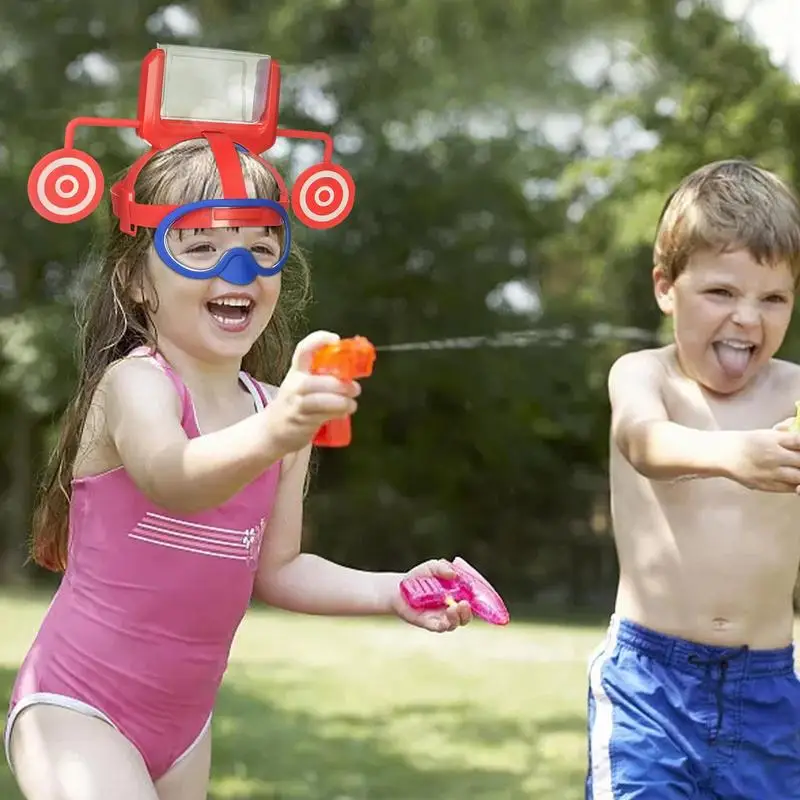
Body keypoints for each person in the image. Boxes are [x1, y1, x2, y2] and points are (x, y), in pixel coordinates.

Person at [4, 137, 473, 800]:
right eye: (198, 247)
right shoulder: (137, 386)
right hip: (77, 704)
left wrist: (390, 590)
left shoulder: (276, 410)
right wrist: (277, 431)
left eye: (261, 246)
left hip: (184, 725)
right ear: (137, 280)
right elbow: (174, 476)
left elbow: (278, 569)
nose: (238, 266)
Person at [586, 159, 800, 799]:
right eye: (721, 293)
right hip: (650, 682)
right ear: (664, 287)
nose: (748, 319)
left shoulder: (794, 392)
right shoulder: (643, 375)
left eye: (773, 299)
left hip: (769, 687)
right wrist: (736, 456)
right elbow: (643, 441)